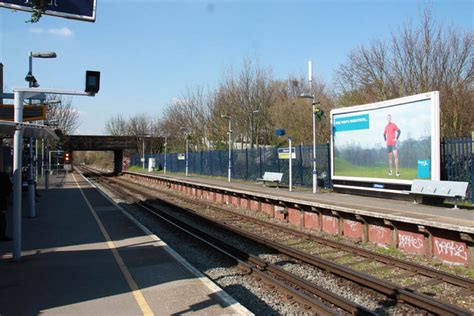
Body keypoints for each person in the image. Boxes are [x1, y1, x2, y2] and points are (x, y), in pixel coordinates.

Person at [0, 172, 13, 241]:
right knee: (2, 218)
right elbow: (8, 188)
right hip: (1, 200)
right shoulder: (3, 175)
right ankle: (2, 235)